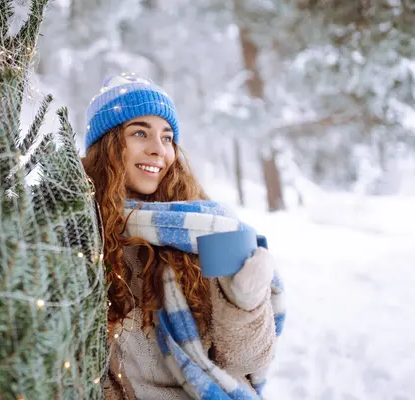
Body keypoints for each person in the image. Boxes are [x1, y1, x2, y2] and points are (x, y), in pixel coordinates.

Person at [82, 74, 285, 400]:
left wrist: (245, 302)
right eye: (139, 133)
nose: (157, 151)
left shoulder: (204, 228)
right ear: (106, 145)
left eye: (167, 138)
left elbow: (247, 361)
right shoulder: (81, 231)